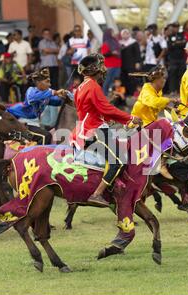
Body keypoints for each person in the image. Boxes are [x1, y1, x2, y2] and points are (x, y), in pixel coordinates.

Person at [72, 54, 141, 206]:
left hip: (85, 129)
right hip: (93, 131)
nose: (105, 70)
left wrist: (109, 118)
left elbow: (93, 110)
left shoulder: (80, 87)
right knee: (119, 159)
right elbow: (107, 109)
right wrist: (130, 118)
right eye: (102, 67)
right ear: (95, 70)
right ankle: (97, 194)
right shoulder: (93, 86)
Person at [7, 68, 64, 145]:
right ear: (38, 83)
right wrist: (54, 92)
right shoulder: (31, 91)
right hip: (19, 122)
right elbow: (33, 97)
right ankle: (40, 156)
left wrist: (63, 97)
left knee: (48, 133)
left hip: (31, 124)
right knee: (45, 136)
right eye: (47, 82)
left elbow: (56, 102)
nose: (50, 85)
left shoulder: (45, 95)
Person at [166, 23, 188, 95]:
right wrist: (178, 43)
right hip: (173, 59)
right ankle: (172, 90)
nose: (176, 29)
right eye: (174, 27)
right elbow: (170, 46)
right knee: (173, 74)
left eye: (177, 27)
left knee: (181, 74)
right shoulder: (170, 36)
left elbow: (184, 44)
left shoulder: (181, 35)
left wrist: (175, 43)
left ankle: (180, 90)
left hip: (181, 58)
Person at [119, 29, 141, 96]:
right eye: (123, 33)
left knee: (131, 79)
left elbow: (137, 53)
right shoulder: (120, 43)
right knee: (124, 79)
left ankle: (132, 93)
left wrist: (137, 62)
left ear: (129, 34)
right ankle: (125, 94)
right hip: (122, 64)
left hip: (131, 64)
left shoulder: (133, 42)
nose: (125, 35)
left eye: (126, 33)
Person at [101, 28, 122, 95]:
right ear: (108, 34)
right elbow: (104, 54)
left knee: (115, 82)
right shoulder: (106, 43)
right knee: (107, 81)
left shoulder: (116, 42)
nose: (114, 33)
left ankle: (112, 96)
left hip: (117, 65)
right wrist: (112, 53)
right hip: (109, 65)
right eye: (112, 32)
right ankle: (104, 96)